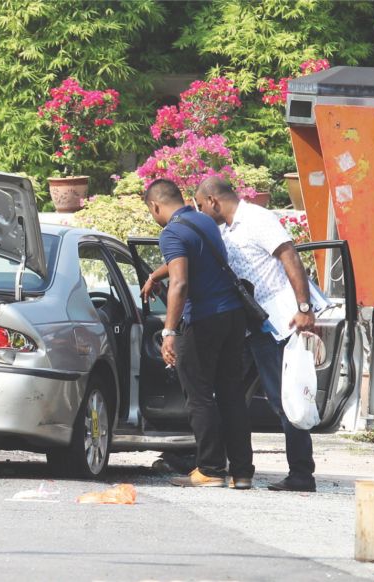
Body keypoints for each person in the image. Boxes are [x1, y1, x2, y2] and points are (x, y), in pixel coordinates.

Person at [194, 176, 317, 492]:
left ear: (213, 201)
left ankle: (302, 473)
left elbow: (289, 255)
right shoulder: (225, 229)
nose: (200, 212)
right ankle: (211, 463)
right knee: (226, 394)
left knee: (283, 398)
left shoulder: (257, 219)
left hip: (277, 322)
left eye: (200, 205)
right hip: (247, 326)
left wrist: (304, 306)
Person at [141, 179, 254, 489]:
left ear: (155, 206)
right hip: (232, 317)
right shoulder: (204, 221)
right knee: (231, 394)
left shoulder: (171, 232)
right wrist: (154, 274)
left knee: (199, 395)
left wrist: (169, 331)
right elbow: (192, 261)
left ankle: (210, 469)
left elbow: (179, 282)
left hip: (204, 319)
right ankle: (242, 472)